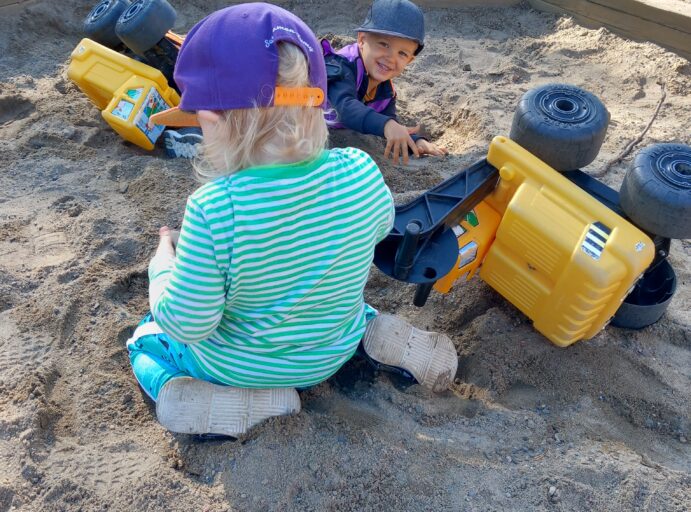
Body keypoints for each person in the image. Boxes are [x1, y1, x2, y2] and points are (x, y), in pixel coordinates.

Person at [126, 2, 458, 438]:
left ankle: (206, 395)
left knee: (144, 341)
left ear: (210, 119)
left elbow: (187, 322)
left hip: (241, 367)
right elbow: (377, 231)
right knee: (324, 283)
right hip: (330, 348)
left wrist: (161, 266)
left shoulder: (213, 210)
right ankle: (375, 329)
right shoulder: (359, 170)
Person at [322, 0, 448, 165]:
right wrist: (387, 125)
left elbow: (389, 124)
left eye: (402, 53)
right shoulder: (341, 65)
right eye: (384, 44)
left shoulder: (386, 91)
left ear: (410, 60)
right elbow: (346, 108)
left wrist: (415, 141)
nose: (391, 58)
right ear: (361, 40)